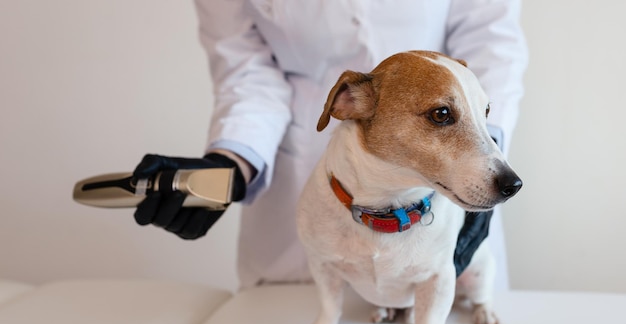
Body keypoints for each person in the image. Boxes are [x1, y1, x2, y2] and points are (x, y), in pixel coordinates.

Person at [133, 0, 528, 290]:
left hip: (434, 197)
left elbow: (491, 47)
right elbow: (247, 71)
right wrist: (229, 162)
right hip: (305, 189)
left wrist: (481, 158)